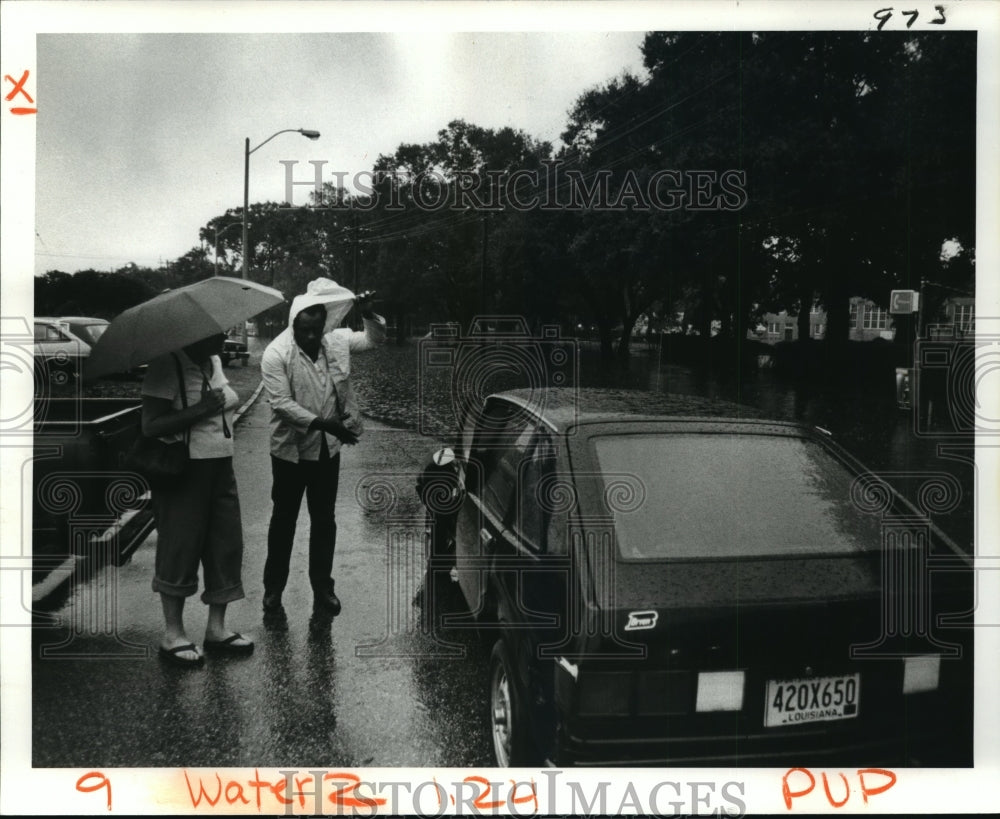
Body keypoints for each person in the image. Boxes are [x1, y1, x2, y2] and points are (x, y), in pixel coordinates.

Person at [260, 278, 386, 616]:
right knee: (283, 522)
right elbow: (282, 405)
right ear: (294, 324)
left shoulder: (336, 341)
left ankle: (323, 588)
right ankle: (273, 591)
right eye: (306, 331)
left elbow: (374, 340)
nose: (313, 337)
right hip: (290, 452)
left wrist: (369, 315)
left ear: (324, 324)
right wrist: (325, 424)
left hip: (327, 451)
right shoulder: (276, 354)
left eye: (318, 330)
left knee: (324, 521)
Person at [141, 332, 253, 667]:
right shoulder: (166, 363)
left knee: (226, 545)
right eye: (215, 332)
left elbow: (224, 404)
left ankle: (216, 629)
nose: (223, 336)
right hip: (184, 470)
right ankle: (173, 634)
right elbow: (151, 425)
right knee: (180, 547)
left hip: (221, 466)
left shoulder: (214, 360)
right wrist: (202, 409)